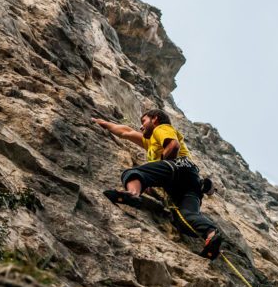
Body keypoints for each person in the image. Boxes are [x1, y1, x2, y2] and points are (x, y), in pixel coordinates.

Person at [92, 109, 223, 259]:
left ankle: (133, 194)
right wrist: (102, 122)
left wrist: (159, 174)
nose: (141, 127)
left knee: (133, 173)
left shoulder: (161, 128)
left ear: (155, 119)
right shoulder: (151, 142)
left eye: (143, 122)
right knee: (185, 218)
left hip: (177, 167)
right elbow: (126, 132)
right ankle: (212, 234)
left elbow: (173, 146)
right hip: (191, 183)